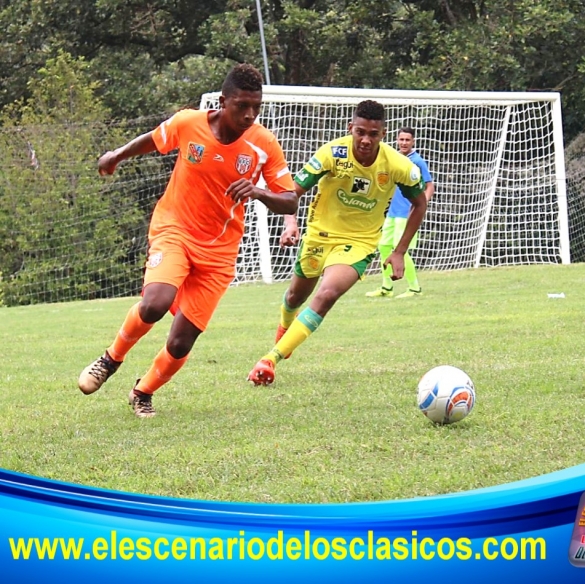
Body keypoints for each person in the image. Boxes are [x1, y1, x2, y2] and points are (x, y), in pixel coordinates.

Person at [78, 63, 298, 417]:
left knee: (181, 342)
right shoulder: (188, 123)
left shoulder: (263, 144)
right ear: (223, 101)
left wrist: (257, 191)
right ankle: (110, 359)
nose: (250, 114)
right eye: (242, 106)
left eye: (256, 107)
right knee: (155, 303)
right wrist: (117, 155)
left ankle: (143, 391)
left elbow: (289, 198)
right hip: (175, 228)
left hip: (220, 252)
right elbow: (154, 139)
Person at [247, 100, 428, 386]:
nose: (366, 140)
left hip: (359, 242)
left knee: (327, 293)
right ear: (350, 129)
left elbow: (420, 203)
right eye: (360, 132)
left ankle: (270, 359)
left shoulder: (398, 165)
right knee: (295, 297)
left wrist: (399, 251)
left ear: (383, 134)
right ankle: (285, 327)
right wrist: (291, 224)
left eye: (374, 134)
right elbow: (292, 192)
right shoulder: (331, 153)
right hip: (319, 234)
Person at [366, 127, 434, 298]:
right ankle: (386, 287)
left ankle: (414, 288)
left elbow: (429, 185)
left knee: (400, 250)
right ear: (397, 140)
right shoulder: (393, 159)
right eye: (401, 139)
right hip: (391, 212)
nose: (404, 143)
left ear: (413, 142)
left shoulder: (417, 161)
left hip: (406, 213)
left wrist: (421, 205)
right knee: (383, 247)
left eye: (407, 140)